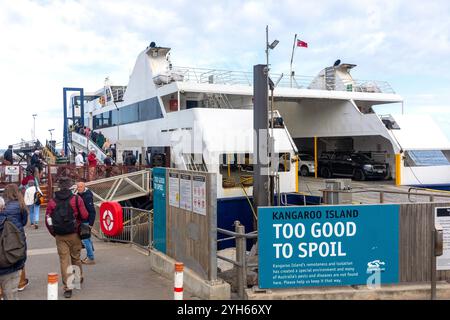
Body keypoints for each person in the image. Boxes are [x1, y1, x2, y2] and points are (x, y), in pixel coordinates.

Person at [45, 177, 89, 299]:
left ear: (59, 186)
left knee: (64, 261)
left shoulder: (52, 201)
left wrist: (54, 233)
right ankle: (78, 278)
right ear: (70, 186)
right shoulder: (76, 199)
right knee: (75, 257)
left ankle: (68, 288)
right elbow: (85, 215)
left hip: (60, 235)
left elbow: (47, 220)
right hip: (74, 233)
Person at [0, 185, 28, 300]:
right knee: (11, 288)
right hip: (16, 241)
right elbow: (24, 221)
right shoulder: (20, 205)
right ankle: (21, 283)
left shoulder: (4, 204)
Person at [76, 182, 96, 265]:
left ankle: (91, 257)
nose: (79, 188)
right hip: (83, 221)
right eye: (78, 187)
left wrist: (91, 224)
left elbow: (92, 211)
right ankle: (90, 251)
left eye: (80, 187)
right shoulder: (80, 195)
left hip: (85, 221)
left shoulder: (87, 196)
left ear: (84, 187)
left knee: (85, 240)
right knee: (87, 238)